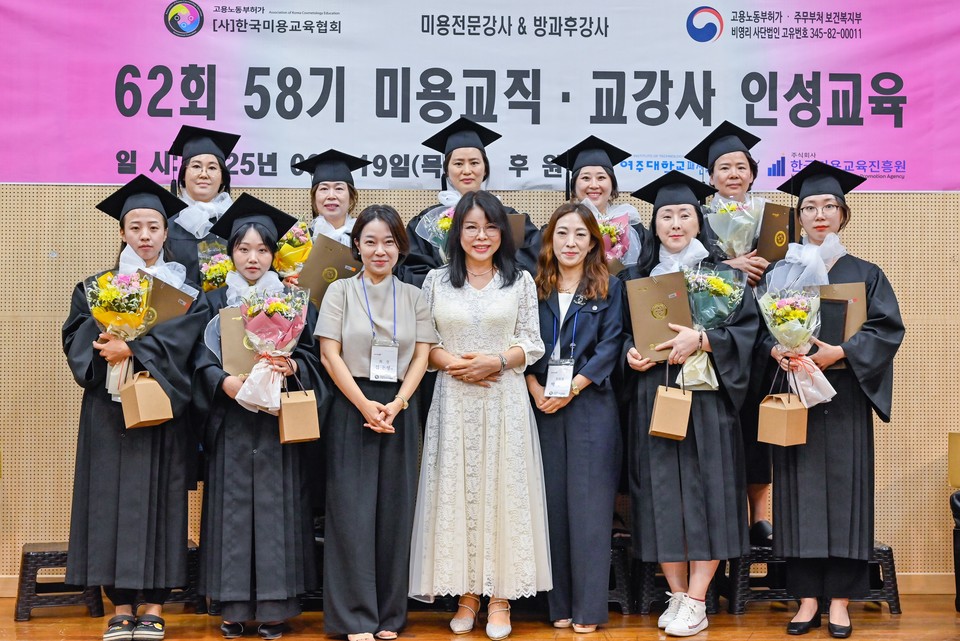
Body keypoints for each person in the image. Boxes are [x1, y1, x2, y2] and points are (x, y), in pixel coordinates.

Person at [63, 174, 209, 641]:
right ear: (122, 232)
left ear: (167, 232)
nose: (145, 236)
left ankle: (152, 604)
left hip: (162, 409)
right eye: (135, 227)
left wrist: (139, 351)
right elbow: (76, 338)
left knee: (163, 501)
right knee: (108, 501)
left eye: (153, 227)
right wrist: (111, 341)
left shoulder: (185, 291)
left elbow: (192, 345)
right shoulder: (96, 286)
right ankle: (119, 604)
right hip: (110, 412)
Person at [767, 162, 904, 638]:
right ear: (798, 216)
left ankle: (842, 601)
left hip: (845, 395)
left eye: (829, 206)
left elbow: (887, 329)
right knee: (798, 494)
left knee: (846, 494)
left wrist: (841, 352)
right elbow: (762, 329)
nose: (819, 214)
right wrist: (778, 350)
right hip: (798, 395)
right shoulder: (782, 272)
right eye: (809, 207)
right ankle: (806, 600)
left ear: (843, 215)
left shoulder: (864, 273)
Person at [408, 190, 550, 641]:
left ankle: (501, 597)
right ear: (457, 234)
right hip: (453, 399)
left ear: (501, 234)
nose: (481, 235)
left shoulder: (521, 281)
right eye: (471, 227)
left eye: (490, 227)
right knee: (459, 490)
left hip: (504, 398)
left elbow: (533, 342)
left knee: (501, 490)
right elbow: (424, 346)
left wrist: (499, 361)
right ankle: (468, 593)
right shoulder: (435, 280)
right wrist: (453, 364)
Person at [624, 171, 755, 637]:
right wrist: (631, 355)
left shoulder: (722, 276)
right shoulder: (637, 278)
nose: (675, 223)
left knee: (710, 493)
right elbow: (623, 334)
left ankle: (698, 597)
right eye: (665, 215)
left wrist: (705, 338)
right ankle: (676, 593)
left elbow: (748, 334)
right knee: (659, 495)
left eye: (683, 215)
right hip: (654, 398)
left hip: (706, 401)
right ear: (654, 225)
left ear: (698, 222)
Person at [194, 195, 322, 640]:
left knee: (276, 506)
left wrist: (294, 366)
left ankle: (274, 607)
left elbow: (312, 354)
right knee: (231, 508)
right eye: (244, 249)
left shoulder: (291, 300)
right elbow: (197, 355)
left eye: (263, 250)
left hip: (276, 419)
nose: (253, 258)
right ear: (231, 252)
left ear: (274, 254)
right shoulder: (212, 300)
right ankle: (230, 607)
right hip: (230, 420)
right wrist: (221, 381)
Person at [316, 205, 433, 641]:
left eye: (388, 241)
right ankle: (354, 617)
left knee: (394, 513)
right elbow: (330, 353)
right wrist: (366, 405)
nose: (379, 250)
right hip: (352, 405)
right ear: (357, 247)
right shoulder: (340, 292)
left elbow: (422, 354)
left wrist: (398, 403)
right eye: (370, 241)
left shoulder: (415, 296)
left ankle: (388, 615)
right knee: (351, 513)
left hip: (400, 408)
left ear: (400, 247)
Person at [526, 203, 624, 633]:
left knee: (589, 509)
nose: (570, 242)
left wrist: (573, 387)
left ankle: (588, 609)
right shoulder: (533, 288)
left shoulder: (610, 288)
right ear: (550, 240)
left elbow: (611, 344)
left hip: (590, 408)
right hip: (541, 407)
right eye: (562, 233)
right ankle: (559, 605)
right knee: (551, 507)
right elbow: (521, 344)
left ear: (593, 242)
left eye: (580, 235)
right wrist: (537, 390)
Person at [686, 121, 772, 547]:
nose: (733, 174)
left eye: (740, 166)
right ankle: (722, 513)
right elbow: (683, 268)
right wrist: (729, 269)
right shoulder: (695, 217)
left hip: (764, 336)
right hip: (717, 335)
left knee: (757, 419)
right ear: (711, 176)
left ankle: (759, 515)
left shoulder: (772, 216)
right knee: (723, 422)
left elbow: (792, 268)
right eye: (724, 167)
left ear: (752, 173)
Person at [397, 117, 541, 287]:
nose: (467, 171)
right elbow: (411, 270)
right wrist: (453, 281)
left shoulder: (509, 217)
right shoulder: (427, 222)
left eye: (474, 163)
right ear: (447, 171)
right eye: (458, 163)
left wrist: (487, 277)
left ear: (485, 168)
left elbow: (531, 261)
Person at [550, 136, 651, 272]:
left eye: (601, 178)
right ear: (573, 186)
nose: (594, 185)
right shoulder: (560, 226)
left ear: (612, 184)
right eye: (585, 178)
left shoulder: (632, 227)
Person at [165, 125, 241, 281]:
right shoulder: (165, 224)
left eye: (212, 168)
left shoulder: (237, 223)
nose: (204, 174)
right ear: (183, 175)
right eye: (196, 166)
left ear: (222, 178)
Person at [292, 149, 371, 246]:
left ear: (351, 197)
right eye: (324, 189)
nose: (331, 196)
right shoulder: (301, 241)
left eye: (339, 188)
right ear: (314, 198)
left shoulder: (364, 239)